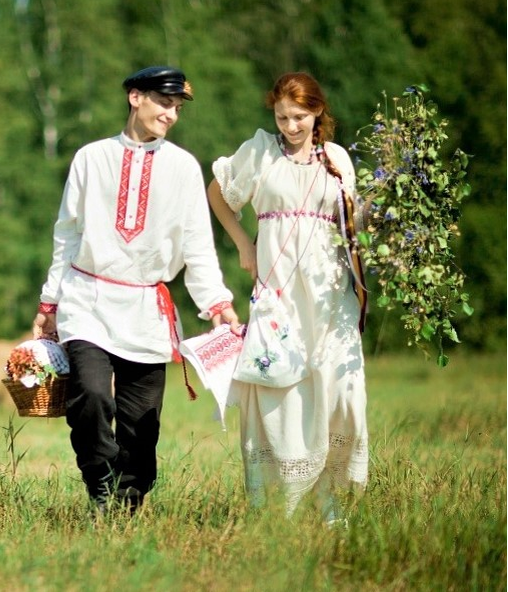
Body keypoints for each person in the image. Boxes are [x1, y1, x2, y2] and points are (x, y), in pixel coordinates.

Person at [33, 65, 240, 515]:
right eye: (164, 103)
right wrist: (50, 301)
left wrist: (217, 302)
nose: (171, 114)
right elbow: (66, 234)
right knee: (88, 395)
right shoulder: (91, 157)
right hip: (87, 298)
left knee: (140, 428)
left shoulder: (184, 167)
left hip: (148, 306)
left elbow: (197, 245)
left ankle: (124, 509)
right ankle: (100, 484)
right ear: (135, 98)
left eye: (177, 107)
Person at [207, 72, 368, 523]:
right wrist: (243, 244)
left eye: (299, 116)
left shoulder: (336, 158)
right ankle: (277, 505)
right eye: (282, 116)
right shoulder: (260, 150)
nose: (290, 126)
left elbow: (353, 221)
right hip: (279, 287)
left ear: (318, 111)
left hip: (330, 288)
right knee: (281, 386)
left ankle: (330, 498)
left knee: (342, 390)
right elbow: (218, 194)